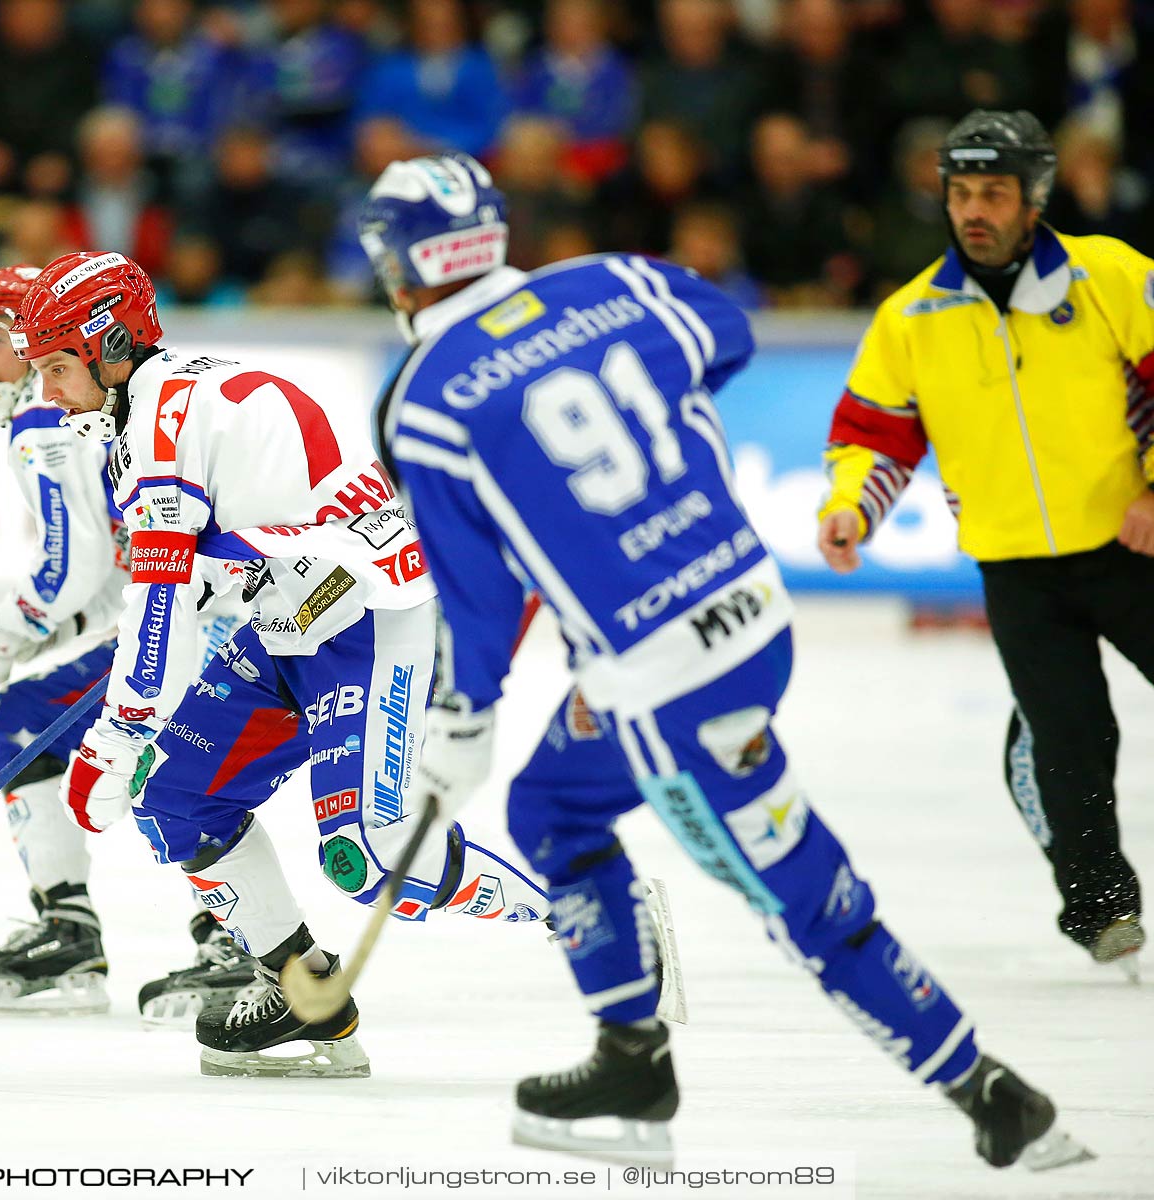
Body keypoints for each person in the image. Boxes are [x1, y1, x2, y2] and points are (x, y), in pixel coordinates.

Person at [360, 151, 1093, 1171]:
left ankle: (991, 1092)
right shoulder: (614, 280)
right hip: (751, 613)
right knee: (554, 809)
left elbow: (478, 603)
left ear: (397, 265)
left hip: (662, 684)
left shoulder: (423, 401)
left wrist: (459, 726)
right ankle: (632, 1055)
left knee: (794, 894)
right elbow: (730, 333)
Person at [7, 251, 562, 1078]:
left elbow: (158, 604)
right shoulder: (153, 408)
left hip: (370, 619)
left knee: (368, 861)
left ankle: (576, 917)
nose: (46, 393)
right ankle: (305, 996)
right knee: (178, 796)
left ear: (111, 346)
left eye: (56, 367)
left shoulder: (159, 423)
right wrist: (137, 730)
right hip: (289, 623)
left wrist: (113, 740)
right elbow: (190, 593)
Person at [817, 109, 1153, 978]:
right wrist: (853, 507)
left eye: (993, 193)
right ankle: (1102, 908)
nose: (974, 210)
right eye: (960, 192)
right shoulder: (912, 316)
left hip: (1131, 547)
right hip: (1013, 568)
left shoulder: (1110, 275)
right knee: (1069, 742)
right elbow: (874, 432)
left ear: (1034, 196)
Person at [0, 265, 253, 1023]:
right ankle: (102, 929)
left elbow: (70, 566)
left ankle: (233, 938)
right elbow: (117, 566)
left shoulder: (43, 421)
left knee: (151, 749)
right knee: (41, 724)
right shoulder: (84, 408)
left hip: (219, 611)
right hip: (225, 601)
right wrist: (46, 632)